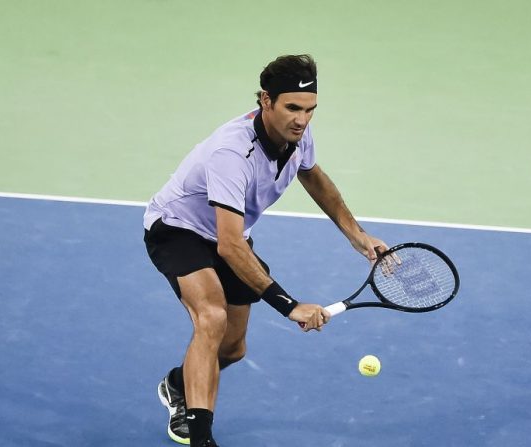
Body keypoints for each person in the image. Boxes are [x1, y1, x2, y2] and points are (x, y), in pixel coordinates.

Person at [143, 54, 387, 447]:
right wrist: (289, 305)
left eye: (310, 110)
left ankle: (178, 382)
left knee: (234, 349)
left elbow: (315, 177)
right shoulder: (231, 153)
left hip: (231, 237)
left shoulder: (297, 135)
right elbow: (229, 245)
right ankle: (202, 438)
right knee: (212, 315)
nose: (302, 119)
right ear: (265, 100)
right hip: (178, 229)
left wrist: (357, 235)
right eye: (292, 108)